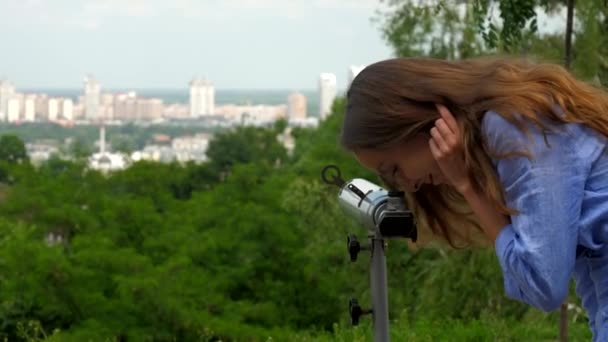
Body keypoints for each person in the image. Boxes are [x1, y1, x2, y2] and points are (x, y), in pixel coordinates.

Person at [340, 56, 608, 341]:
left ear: (410, 124)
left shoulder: (512, 125)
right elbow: (595, 282)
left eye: (393, 169)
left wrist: (469, 187)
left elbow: (544, 286)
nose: (406, 185)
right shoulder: (501, 130)